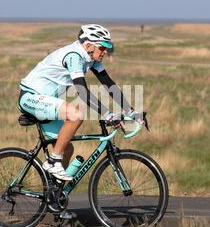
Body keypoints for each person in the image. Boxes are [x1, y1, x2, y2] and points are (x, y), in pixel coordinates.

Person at [18, 24, 145, 181]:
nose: (106, 51)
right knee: (77, 114)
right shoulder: (74, 56)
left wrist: (130, 111)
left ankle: (53, 191)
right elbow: (82, 91)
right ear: (89, 45)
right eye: (102, 47)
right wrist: (108, 114)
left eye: (108, 48)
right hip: (31, 97)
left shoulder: (91, 57)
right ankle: (52, 162)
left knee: (67, 149)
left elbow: (108, 84)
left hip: (45, 101)